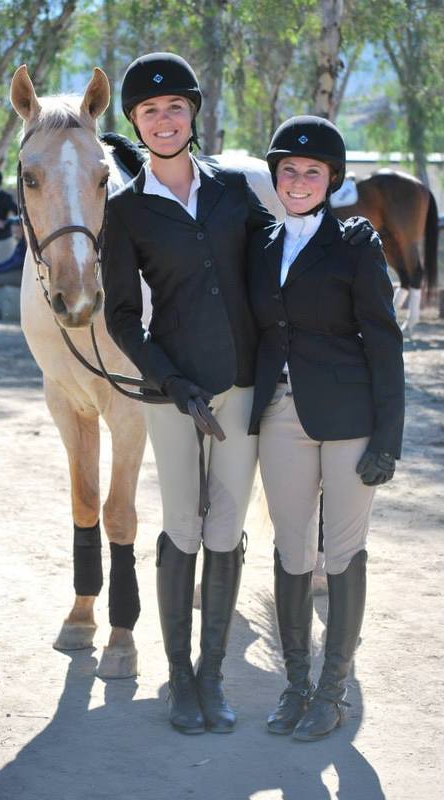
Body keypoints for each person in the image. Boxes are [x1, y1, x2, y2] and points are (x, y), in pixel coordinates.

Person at [102, 54, 376, 736]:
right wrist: (169, 379)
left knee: (227, 527)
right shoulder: (127, 210)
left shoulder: (232, 192)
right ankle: (182, 682)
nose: (163, 121)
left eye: (174, 108)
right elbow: (118, 317)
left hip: (243, 387)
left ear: (192, 113)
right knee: (183, 526)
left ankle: (216, 677)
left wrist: (354, 245)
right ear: (135, 124)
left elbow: (287, 256)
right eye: (148, 112)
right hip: (173, 393)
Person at [247, 116, 405, 741]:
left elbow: (385, 344)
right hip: (282, 417)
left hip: (349, 421)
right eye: (289, 169)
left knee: (341, 555)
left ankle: (332, 691)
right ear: (276, 176)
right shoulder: (259, 247)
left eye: (313, 172)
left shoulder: (356, 245)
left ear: (331, 179)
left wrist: (388, 438)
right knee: (291, 552)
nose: (299, 180)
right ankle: (294, 686)